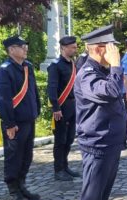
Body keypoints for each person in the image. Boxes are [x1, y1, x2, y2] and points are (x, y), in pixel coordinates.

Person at [75, 25, 127, 200]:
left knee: (101, 199)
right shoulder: (87, 74)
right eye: (112, 48)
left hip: (109, 143)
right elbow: (112, 91)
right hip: (97, 145)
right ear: (98, 49)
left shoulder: (101, 71)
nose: (117, 54)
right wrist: (116, 66)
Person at [0, 36, 41, 200]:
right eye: (22, 46)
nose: (26, 48)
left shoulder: (28, 67)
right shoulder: (4, 70)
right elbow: (2, 99)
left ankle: (22, 185)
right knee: (14, 156)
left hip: (28, 119)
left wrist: (37, 109)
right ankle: (14, 190)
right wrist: (9, 123)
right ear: (11, 50)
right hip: (15, 123)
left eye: (25, 45)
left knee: (27, 156)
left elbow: (33, 91)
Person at [47, 36, 80, 181]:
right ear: (63, 48)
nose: (75, 49)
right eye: (72, 47)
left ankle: (65, 166)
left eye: (75, 46)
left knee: (69, 138)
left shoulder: (72, 64)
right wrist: (55, 107)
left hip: (72, 105)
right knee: (60, 139)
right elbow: (52, 88)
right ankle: (58, 170)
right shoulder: (55, 65)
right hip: (61, 107)